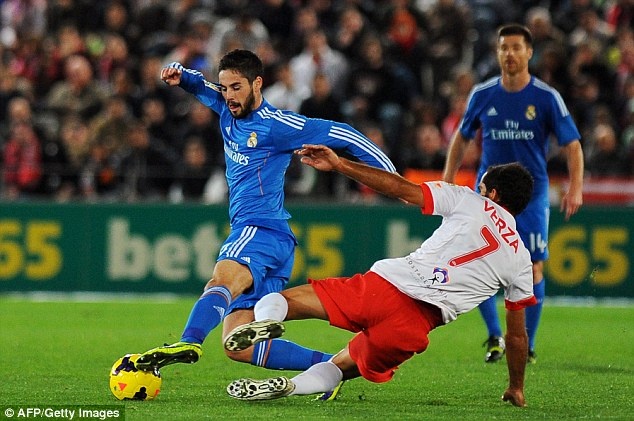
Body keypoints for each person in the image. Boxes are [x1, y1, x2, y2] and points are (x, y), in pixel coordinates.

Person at [134, 50, 396, 377]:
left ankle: (189, 342)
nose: (229, 95)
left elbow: (343, 133)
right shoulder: (226, 107)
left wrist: (391, 178)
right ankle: (337, 368)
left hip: (259, 230)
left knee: (221, 281)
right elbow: (203, 88)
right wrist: (181, 75)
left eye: (237, 87)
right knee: (238, 345)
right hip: (271, 242)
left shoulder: (277, 125)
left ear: (257, 84)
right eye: (225, 87)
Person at [223, 144, 535, 407]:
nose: (478, 192)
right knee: (340, 367)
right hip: (414, 327)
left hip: (386, 288)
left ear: (493, 194)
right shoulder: (521, 259)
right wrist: (516, 386)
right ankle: (293, 386)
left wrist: (341, 164)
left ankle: (268, 320)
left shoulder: (469, 201)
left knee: (283, 300)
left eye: (482, 189)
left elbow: (399, 188)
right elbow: (517, 336)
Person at [442, 24, 584, 363]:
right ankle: (495, 336)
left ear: (529, 52)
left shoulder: (546, 97)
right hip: (488, 194)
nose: (510, 54)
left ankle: (527, 344)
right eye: (504, 47)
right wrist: (447, 178)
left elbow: (572, 144)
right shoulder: (483, 94)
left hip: (531, 195)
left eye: (516, 47)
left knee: (532, 267)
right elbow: (462, 137)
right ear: (497, 52)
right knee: (475, 262)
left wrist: (576, 186)